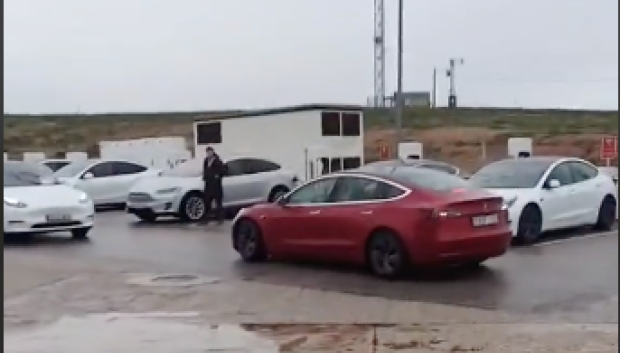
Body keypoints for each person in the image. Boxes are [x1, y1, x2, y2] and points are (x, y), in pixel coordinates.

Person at [202, 146, 226, 224]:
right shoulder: (206, 161)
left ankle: (220, 219)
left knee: (218, 202)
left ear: (213, 152)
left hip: (216, 186)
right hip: (208, 185)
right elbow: (205, 170)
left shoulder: (218, 161)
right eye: (207, 152)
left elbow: (223, 170)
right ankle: (206, 219)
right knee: (207, 202)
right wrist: (205, 177)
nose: (209, 154)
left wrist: (217, 176)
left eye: (210, 152)